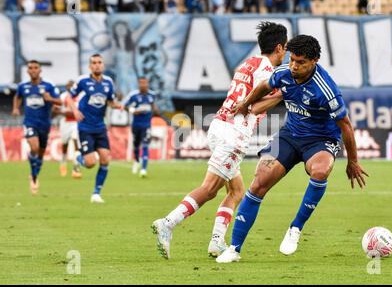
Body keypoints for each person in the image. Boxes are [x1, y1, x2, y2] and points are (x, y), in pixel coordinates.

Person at [217, 35, 368, 263]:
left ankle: (295, 228)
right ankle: (234, 249)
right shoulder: (284, 72)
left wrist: (352, 161)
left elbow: (345, 125)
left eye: (301, 62)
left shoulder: (326, 90)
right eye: (292, 60)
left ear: (315, 61)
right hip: (289, 134)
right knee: (259, 180)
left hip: (320, 139)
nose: (295, 66)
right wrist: (246, 103)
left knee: (320, 170)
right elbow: (263, 86)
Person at [151, 22, 288, 259]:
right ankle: (168, 223)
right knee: (210, 189)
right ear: (279, 47)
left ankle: (217, 241)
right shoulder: (266, 70)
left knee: (236, 190)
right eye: (285, 48)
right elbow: (253, 107)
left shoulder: (248, 63)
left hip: (219, 126)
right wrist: (282, 95)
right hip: (234, 134)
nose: (285, 53)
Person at [66, 54, 124, 204]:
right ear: (90, 66)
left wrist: (117, 105)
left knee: (105, 159)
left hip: (100, 127)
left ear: (103, 65)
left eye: (99, 62)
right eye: (94, 63)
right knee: (90, 163)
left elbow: (110, 101)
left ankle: (96, 193)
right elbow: (68, 96)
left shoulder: (108, 82)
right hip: (85, 127)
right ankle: (78, 159)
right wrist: (74, 110)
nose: (97, 65)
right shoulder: (82, 81)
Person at [11, 60, 62, 195]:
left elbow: (60, 101)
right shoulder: (23, 86)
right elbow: (17, 97)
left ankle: (34, 175)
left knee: (40, 154)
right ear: (28, 71)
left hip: (45, 124)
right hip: (30, 123)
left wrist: (50, 98)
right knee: (34, 146)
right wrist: (16, 108)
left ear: (40, 70)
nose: (33, 70)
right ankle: (33, 174)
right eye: (30, 68)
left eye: (35, 68)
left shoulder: (48, 86)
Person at [123, 77, 160, 178]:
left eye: (145, 83)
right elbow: (124, 106)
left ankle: (143, 169)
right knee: (136, 145)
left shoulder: (152, 95)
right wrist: (133, 111)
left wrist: (155, 110)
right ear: (139, 84)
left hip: (146, 125)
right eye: (141, 83)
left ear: (148, 84)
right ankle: (136, 160)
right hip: (136, 124)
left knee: (145, 145)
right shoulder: (133, 95)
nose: (143, 85)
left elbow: (153, 107)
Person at [57, 80, 82, 178]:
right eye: (68, 85)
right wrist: (66, 113)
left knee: (76, 142)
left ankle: (76, 168)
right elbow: (55, 108)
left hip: (76, 123)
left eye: (72, 85)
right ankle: (63, 162)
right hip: (65, 123)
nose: (70, 87)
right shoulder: (63, 96)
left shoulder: (79, 97)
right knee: (65, 145)